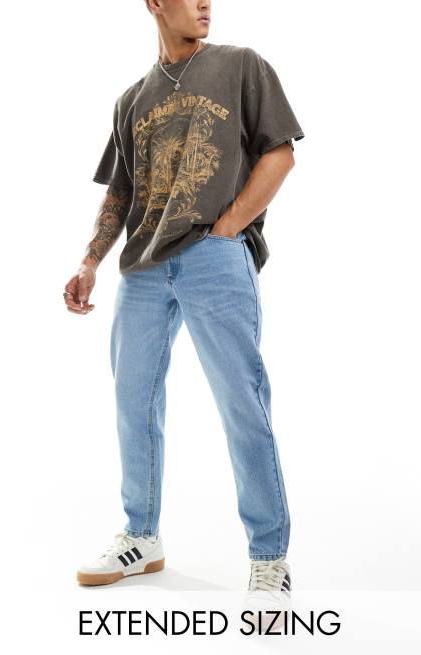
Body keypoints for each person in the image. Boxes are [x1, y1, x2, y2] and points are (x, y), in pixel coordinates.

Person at [64, 0, 304, 620]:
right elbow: (121, 192)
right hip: (142, 269)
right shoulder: (132, 99)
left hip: (213, 257)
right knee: (133, 402)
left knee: (242, 404)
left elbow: (280, 153)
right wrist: (90, 261)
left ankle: (270, 559)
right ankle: (141, 537)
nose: (205, 3)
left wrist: (228, 227)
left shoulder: (241, 65)